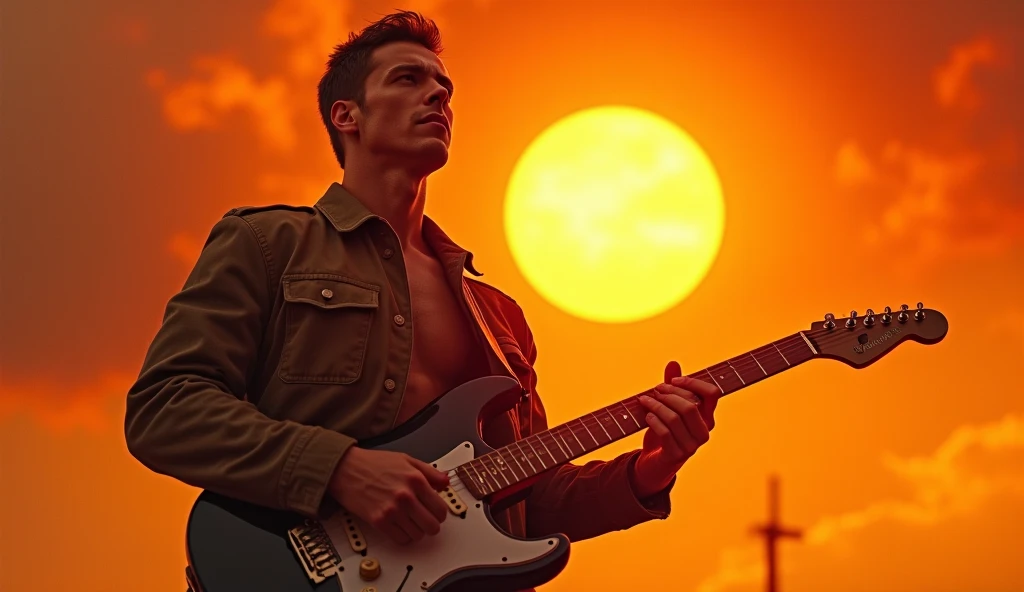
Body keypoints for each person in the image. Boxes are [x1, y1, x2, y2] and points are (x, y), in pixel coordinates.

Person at [124, 9, 721, 589]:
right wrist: (338, 468)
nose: (438, 96)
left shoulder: (500, 317)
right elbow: (165, 408)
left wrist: (650, 468)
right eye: (408, 79)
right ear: (346, 115)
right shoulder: (268, 242)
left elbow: (529, 502)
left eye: (445, 86)